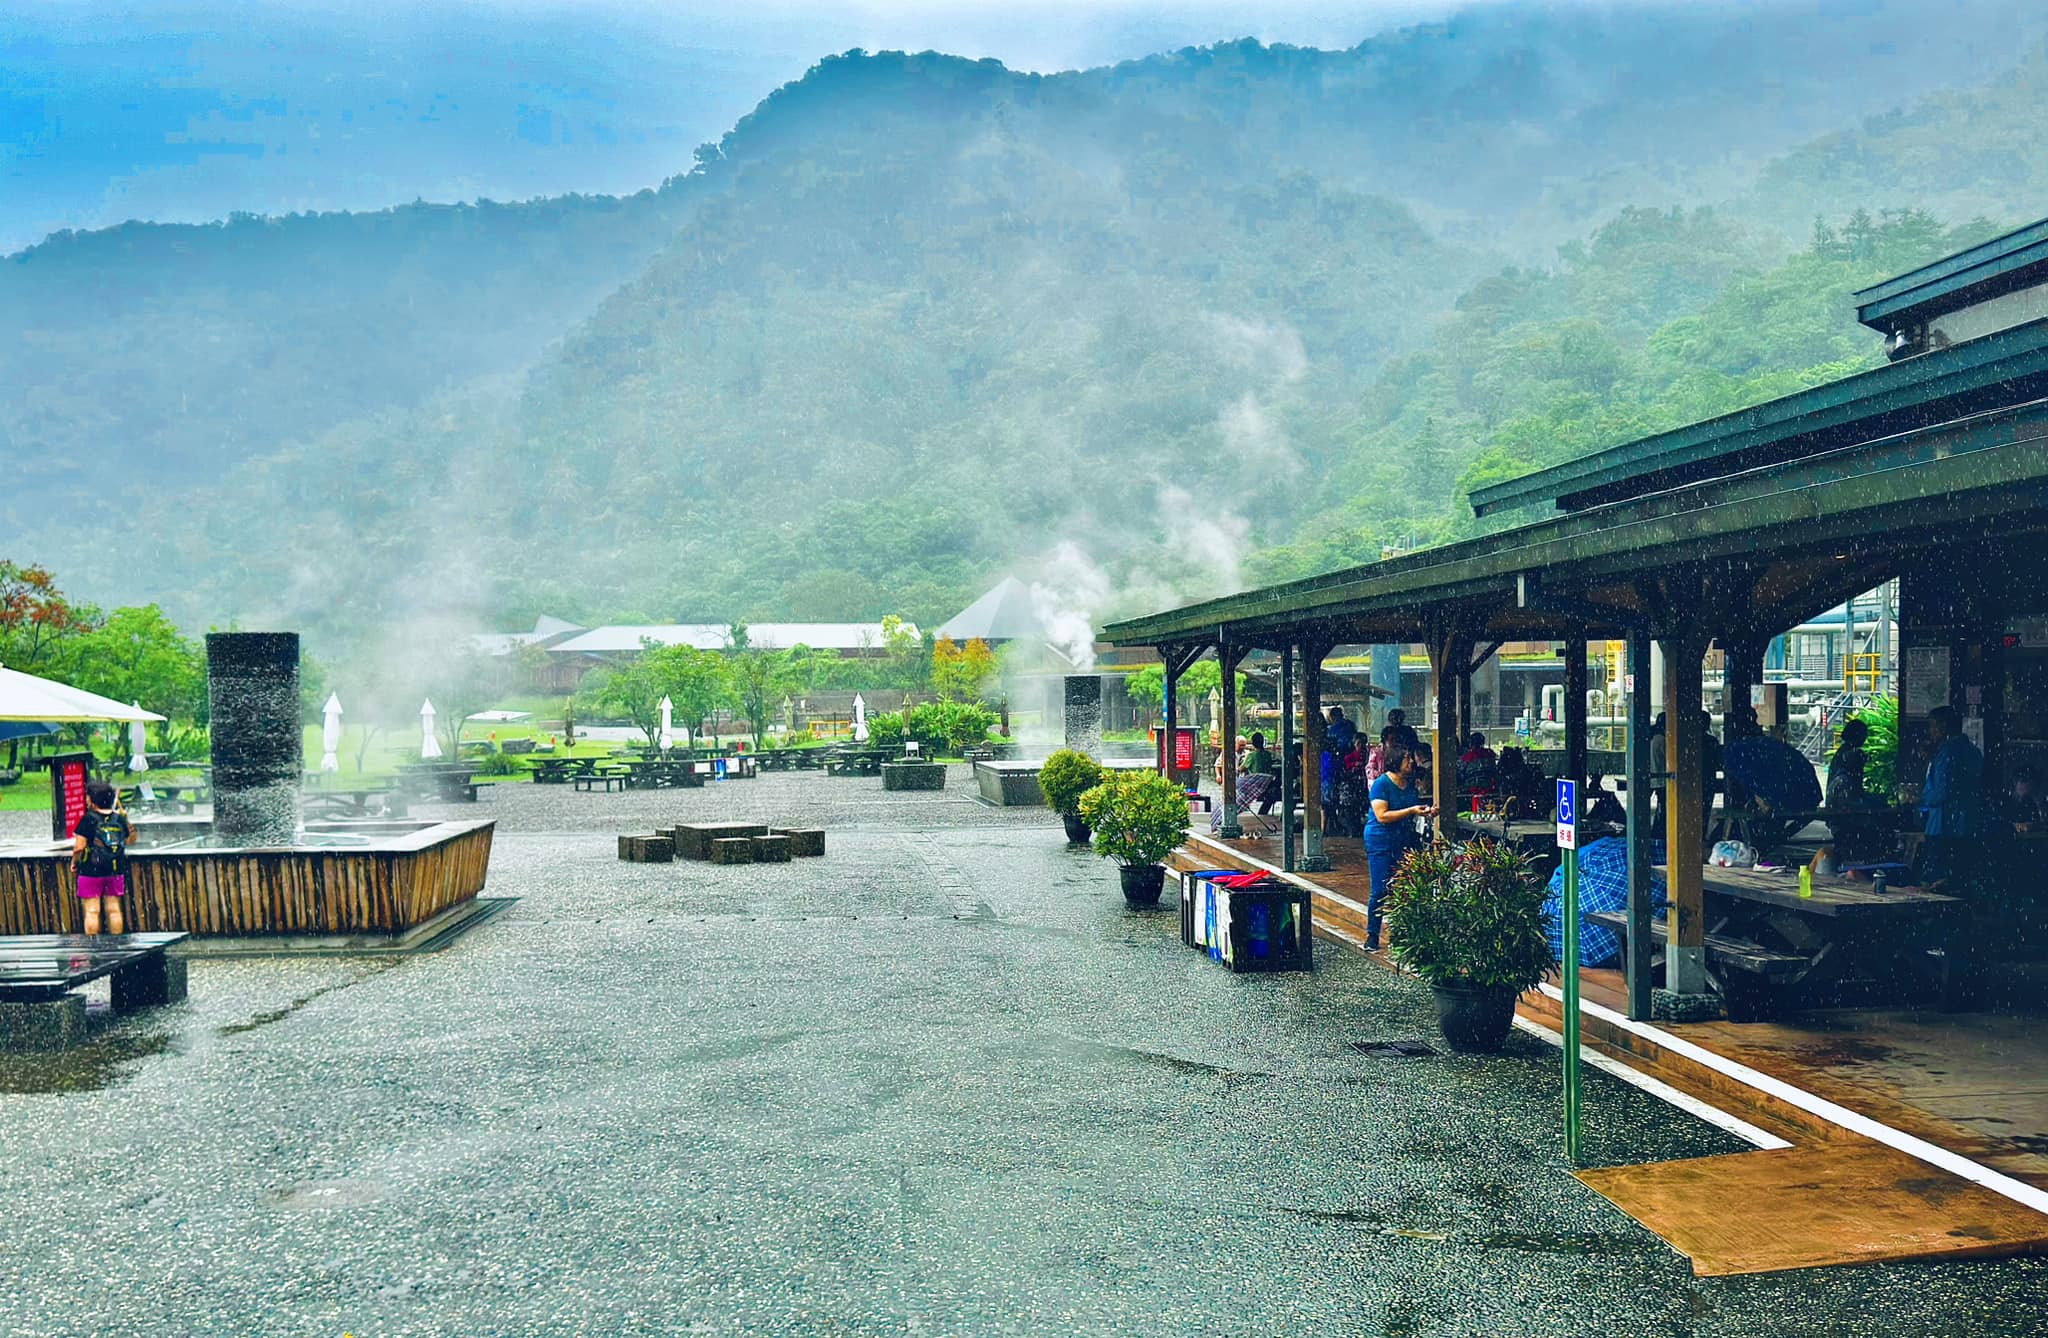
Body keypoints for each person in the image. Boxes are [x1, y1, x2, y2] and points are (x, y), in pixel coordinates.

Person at [1364, 740, 1435, 949]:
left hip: (1403, 838)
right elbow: (1382, 815)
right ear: (1395, 761)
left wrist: (1427, 812)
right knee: (1380, 889)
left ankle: (1401, 934)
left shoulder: (1409, 783)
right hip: (1380, 840)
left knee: (1405, 885)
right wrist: (1411, 810)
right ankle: (1372, 935)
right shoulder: (1381, 784)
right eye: (1407, 759)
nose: (1411, 762)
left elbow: (1412, 807)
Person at [1919, 705, 1984, 886]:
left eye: (1932, 726)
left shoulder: (1947, 753)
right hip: (1968, 823)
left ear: (1943, 727)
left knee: (1938, 880)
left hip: (1943, 825)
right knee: (1960, 878)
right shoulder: (1972, 751)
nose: (1930, 732)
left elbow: (1942, 791)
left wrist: (1923, 798)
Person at [72, 780, 136, 937]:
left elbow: (79, 847)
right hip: (115, 868)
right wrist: (127, 822)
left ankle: (93, 943)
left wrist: (75, 862)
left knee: (92, 910)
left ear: (92, 800)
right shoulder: (118, 819)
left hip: (91, 870)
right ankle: (116, 942)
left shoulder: (89, 819)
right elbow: (130, 840)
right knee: (114, 909)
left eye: (87, 797)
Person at [2006, 764, 2043, 831]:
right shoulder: (2006, 804)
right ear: (2015, 782)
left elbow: (2040, 824)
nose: (2027, 785)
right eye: (2024, 781)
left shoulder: (2032, 804)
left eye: (2031, 781)